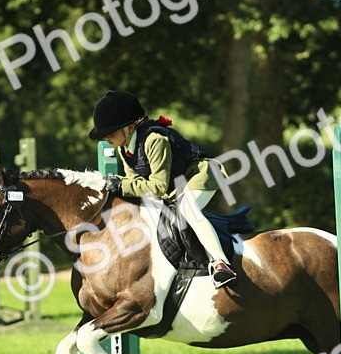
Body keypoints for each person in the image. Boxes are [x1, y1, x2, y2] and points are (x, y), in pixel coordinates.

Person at [88, 90, 238, 288]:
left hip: (200, 175)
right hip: (175, 186)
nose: (106, 137)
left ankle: (221, 264)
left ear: (130, 127)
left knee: (188, 210)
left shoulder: (155, 140)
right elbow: (136, 185)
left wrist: (122, 184)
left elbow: (157, 186)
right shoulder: (124, 149)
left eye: (111, 132)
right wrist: (120, 185)